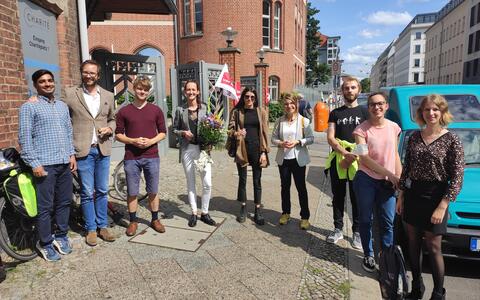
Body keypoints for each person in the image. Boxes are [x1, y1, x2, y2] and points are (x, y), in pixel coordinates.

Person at [397, 94, 464, 300]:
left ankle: (438, 293)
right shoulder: (415, 137)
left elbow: (458, 175)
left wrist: (443, 205)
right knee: (413, 243)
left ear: (442, 112)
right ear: (421, 113)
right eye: (427, 109)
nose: (431, 113)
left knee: (434, 247)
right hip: (413, 194)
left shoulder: (452, 139)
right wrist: (401, 195)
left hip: (437, 196)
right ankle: (417, 288)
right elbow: (406, 168)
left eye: (435, 109)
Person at [18, 69, 76, 261]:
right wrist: (34, 163)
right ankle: (44, 242)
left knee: (64, 202)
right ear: (35, 85)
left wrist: (71, 155)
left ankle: (61, 236)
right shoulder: (29, 107)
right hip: (45, 166)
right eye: (42, 81)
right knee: (45, 207)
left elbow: (68, 132)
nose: (47, 84)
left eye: (50, 80)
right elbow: (25, 139)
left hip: (63, 163)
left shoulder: (61, 106)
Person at [64, 60, 116, 246]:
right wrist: (36, 98)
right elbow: (57, 110)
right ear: (81, 73)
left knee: (102, 190)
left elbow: (112, 119)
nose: (89, 76)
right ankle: (91, 229)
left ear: (98, 75)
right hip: (82, 150)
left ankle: (103, 226)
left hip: (102, 149)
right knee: (86, 192)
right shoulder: (70, 94)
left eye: (92, 73)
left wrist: (110, 129)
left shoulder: (108, 95)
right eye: (85, 72)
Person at [351, 92, 402, 273]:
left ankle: (387, 257)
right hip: (366, 179)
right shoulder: (360, 130)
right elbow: (363, 158)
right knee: (366, 219)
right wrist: (390, 173)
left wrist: (399, 178)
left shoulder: (394, 127)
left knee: (388, 221)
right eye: (372, 104)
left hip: (388, 182)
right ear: (368, 107)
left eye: (380, 104)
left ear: (386, 106)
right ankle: (369, 254)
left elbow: (394, 153)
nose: (376, 107)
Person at [115, 76, 167, 236]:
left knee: (153, 189)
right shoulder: (124, 111)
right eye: (139, 88)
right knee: (132, 190)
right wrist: (133, 141)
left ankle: (155, 219)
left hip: (151, 155)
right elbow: (118, 134)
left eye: (145, 89)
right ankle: (133, 221)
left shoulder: (156, 110)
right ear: (134, 89)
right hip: (132, 156)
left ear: (148, 91)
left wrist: (151, 141)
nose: (142, 91)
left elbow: (163, 133)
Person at [325, 77, 368, 249]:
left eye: (353, 87)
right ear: (342, 91)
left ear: (359, 89)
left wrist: (355, 156)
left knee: (357, 197)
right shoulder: (335, 113)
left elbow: (368, 138)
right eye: (346, 88)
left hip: (359, 160)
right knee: (338, 196)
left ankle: (357, 232)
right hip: (339, 159)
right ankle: (337, 229)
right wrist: (344, 153)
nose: (349, 91)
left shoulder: (365, 112)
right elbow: (330, 137)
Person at [173, 80, 216, 227]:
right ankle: (193, 212)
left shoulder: (204, 108)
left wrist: (212, 136)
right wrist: (183, 133)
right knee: (191, 182)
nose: (191, 92)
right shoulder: (180, 109)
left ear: (197, 92)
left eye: (194, 90)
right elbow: (174, 129)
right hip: (187, 149)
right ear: (185, 92)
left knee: (207, 183)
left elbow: (212, 125)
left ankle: (205, 212)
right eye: (188, 90)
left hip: (203, 150)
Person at [271, 94, 314, 230]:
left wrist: (298, 141)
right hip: (283, 159)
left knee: (301, 188)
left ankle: (305, 217)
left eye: (291, 104)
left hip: (298, 159)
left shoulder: (303, 121)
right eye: (286, 104)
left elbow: (311, 138)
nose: (289, 106)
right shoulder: (279, 121)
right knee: (285, 187)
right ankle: (285, 213)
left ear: (296, 105)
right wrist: (280, 143)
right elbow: (273, 138)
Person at [228, 87, 270, 225]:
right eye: (247, 97)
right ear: (243, 97)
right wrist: (237, 133)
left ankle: (258, 209)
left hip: (257, 149)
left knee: (257, 180)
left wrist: (264, 152)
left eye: (252, 97)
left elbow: (264, 132)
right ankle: (243, 207)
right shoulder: (236, 111)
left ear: (256, 98)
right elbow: (229, 130)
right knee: (243, 179)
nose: (249, 99)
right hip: (242, 149)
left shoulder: (261, 111)